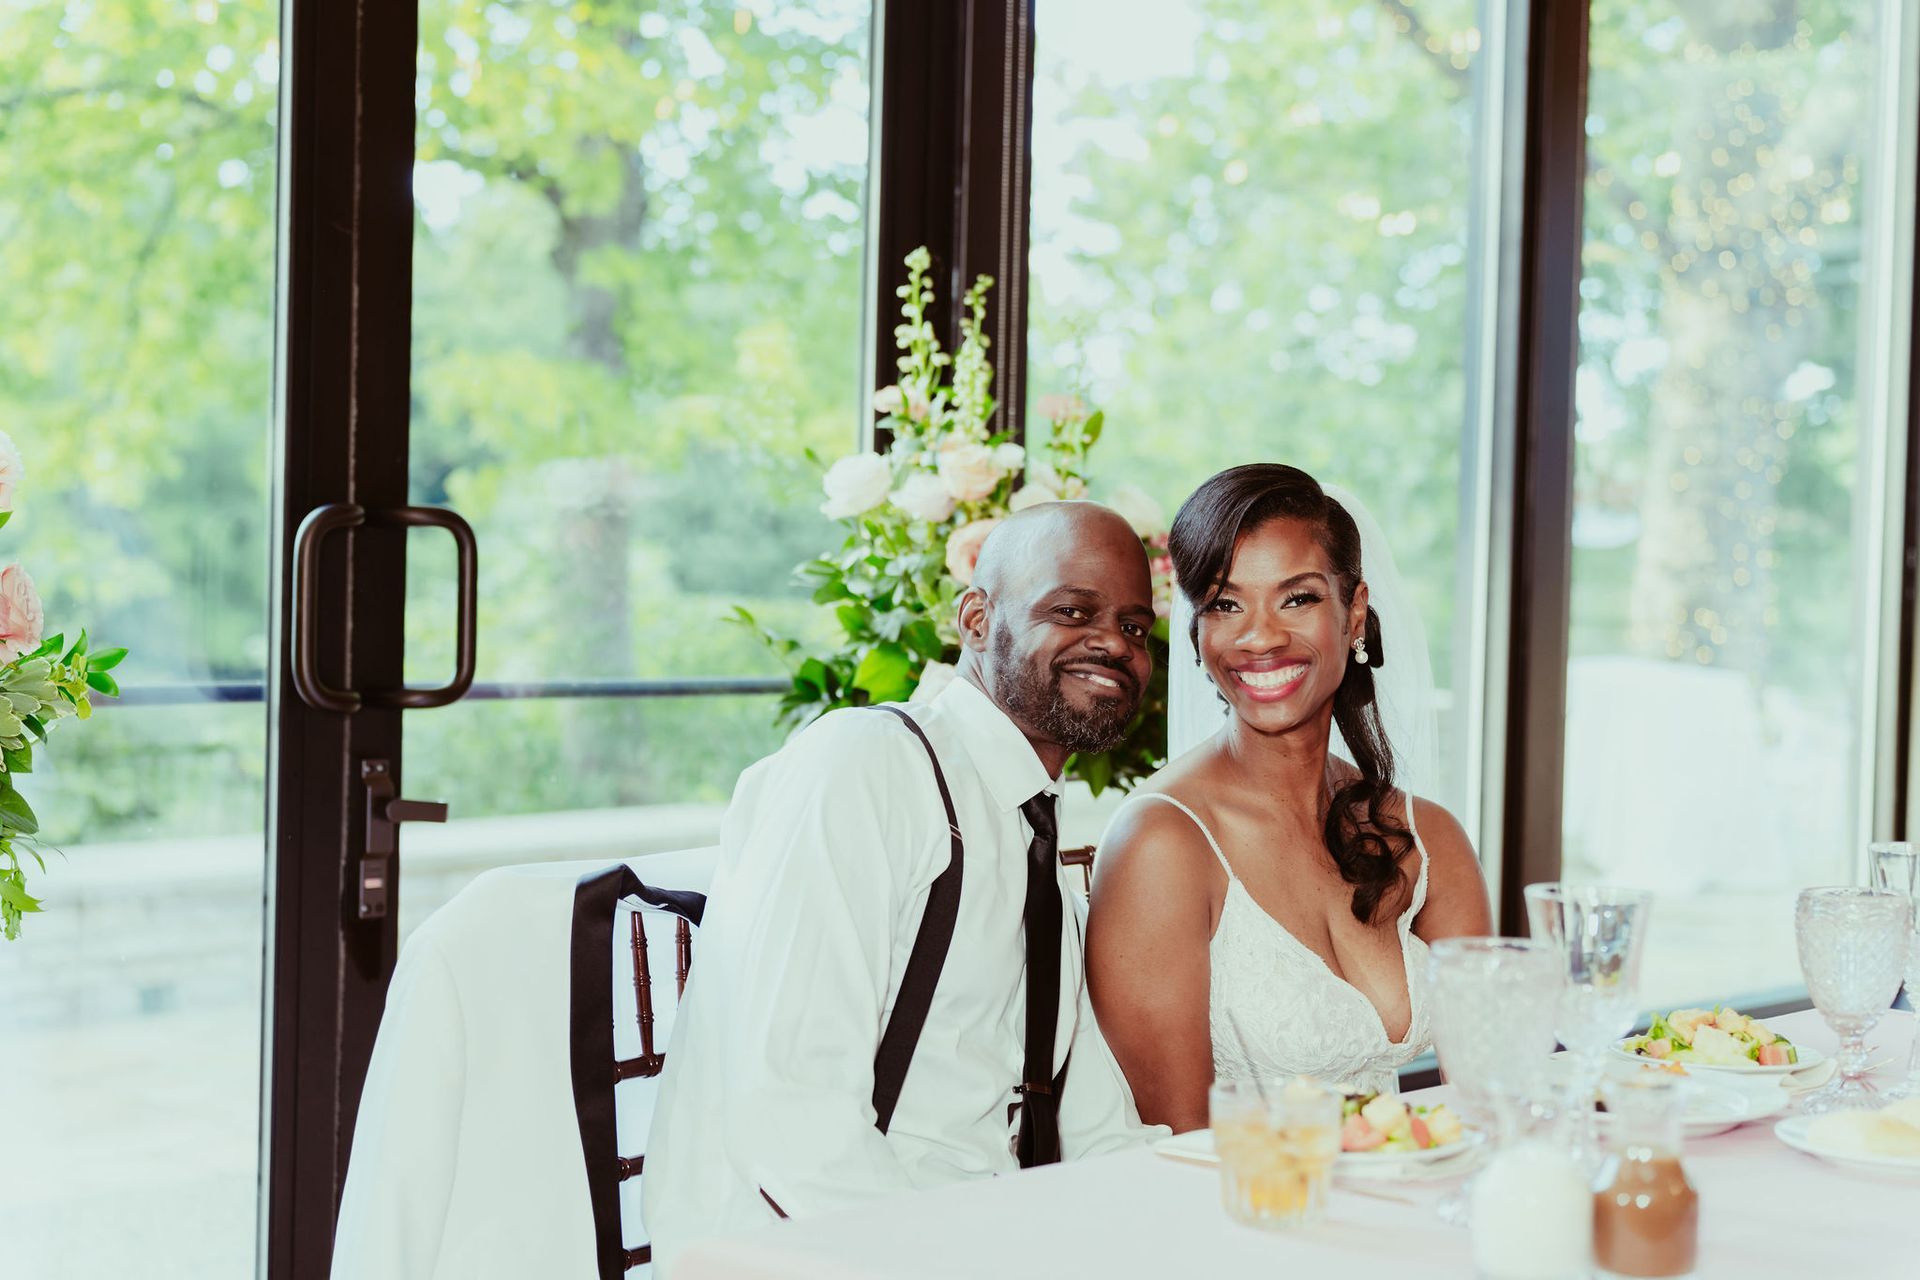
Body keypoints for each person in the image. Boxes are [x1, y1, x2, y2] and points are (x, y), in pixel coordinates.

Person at [644, 501, 1165, 1271]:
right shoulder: (865, 766)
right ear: (977, 618)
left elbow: (1095, 1126)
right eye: (1073, 610)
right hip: (814, 1253)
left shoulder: (1035, 833)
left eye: (1134, 627)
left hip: (976, 1239)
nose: (1112, 644)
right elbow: (791, 1120)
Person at [1086, 464, 1492, 1133]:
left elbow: (1495, 1094)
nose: (1260, 636)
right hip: (1241, 1217)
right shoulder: (1164, 844)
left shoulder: (1429, 837)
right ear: (1196, 630)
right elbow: (1171, 1148)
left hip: (1410, 1205)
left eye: (1296, 599)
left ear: (1354, 611)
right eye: (1224, 603)